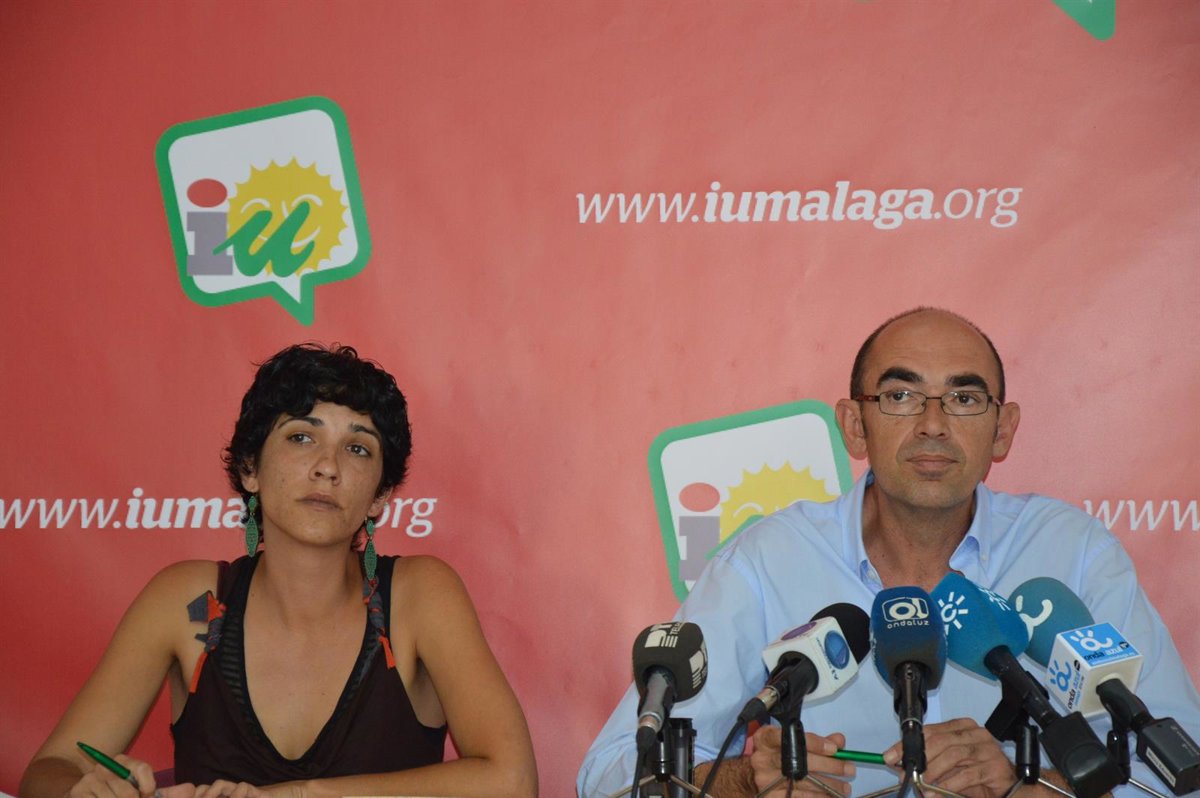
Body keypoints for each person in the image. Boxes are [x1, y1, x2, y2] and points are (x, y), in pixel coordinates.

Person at [578, 308, 1200, 798]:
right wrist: (745, 784)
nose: (933, 423)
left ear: (1002, 430)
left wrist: (1030, 785)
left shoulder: (1072, 555)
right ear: (855, 425)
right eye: (901, 396)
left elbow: (1184, 765)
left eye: (964, 398)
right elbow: (610, 775)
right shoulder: (769, 562)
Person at [22, 344, 538, 798]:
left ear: (380, 495)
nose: (328, 466)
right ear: (250, 468)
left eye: (358, 448)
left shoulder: (419, 597)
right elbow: (50, 770)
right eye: (301, 437)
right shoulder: (186, 601)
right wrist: (81, 790)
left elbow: (512, 782)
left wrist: (297, 795)